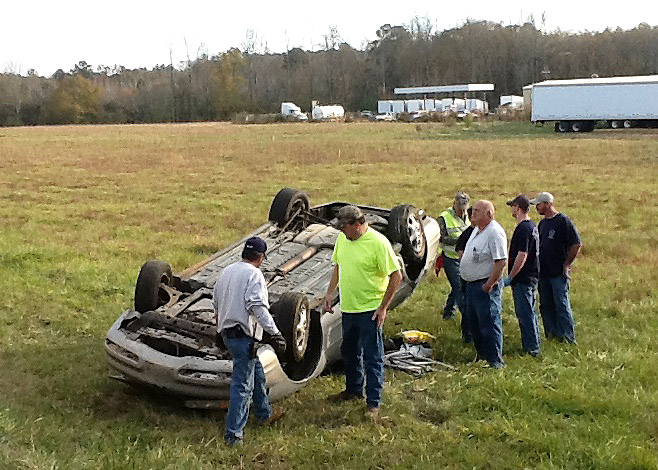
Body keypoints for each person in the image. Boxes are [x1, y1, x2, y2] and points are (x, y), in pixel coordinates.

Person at [324, 205, 402, 418]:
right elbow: (338, 265)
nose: (342, 232)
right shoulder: (343, 240)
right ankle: (353, 390)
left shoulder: (378, 243)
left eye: (344, 228)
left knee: (372, 356)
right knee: (349, 352)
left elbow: (396, 276)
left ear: (358, 224)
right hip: (348, 307)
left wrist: (383, 307)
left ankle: (373, 403)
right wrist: (330, 293)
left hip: (370, 310)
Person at [213, 236, 287, 446]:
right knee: (242, 386)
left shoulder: (227, 271)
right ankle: (233, 435)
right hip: (243, 336)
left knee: (257, 372)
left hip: (228, 333)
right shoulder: (254, 275)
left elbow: (216, 300)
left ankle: (264, 414)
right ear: (261, 257)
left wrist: (219, 327)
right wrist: (275, 333)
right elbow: (257, 306)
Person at [460, 200, 507, 369]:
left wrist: (490, 283)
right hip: (471, 285)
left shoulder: (494, 232)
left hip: (485, 285)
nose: (473, 213)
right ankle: (482, 357)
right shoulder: (477, 230)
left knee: (489, 322)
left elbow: (500, 261)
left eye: (478, 211)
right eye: (473, 210)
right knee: (475, 323)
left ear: (489, 214)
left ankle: (495, 361)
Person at [530, 192, 582, 343]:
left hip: (558, 273)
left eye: (538, 205)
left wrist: (566, 264)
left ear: (547, 204)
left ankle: (567, 337)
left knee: (561, 304)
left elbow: (576, 244)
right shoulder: (542, 223)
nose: (537, 208)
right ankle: (551, 335)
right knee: (545, 305)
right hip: (543, 272)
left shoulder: (563, 221)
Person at [503, 194, 541, 357]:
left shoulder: (523, 228)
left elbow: (522, 254)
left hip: (524, 278)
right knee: (530, 312)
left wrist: (511, 276)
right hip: (531, 276)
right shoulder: (532, 226)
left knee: (525, 313)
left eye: (513, 206)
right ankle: (534, 344)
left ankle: (532, 348)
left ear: (518, 208)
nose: (511, 209)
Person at [438, 191, 470, 321]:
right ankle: (467, 317)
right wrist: (461, 241)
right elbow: (441, 238)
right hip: (450, 258)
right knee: (459, 288)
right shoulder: (444, 218)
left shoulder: (470, 215)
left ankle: (448, 312)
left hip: (464, 259)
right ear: (454, 204)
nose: (462, 212)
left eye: (464, 208)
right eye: (459, 208)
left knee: (459, 286)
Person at [455, 206, 475, 343]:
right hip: (468, 278)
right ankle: (468, 337)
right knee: (468, 309)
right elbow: (461, 256)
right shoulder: (467, 234)